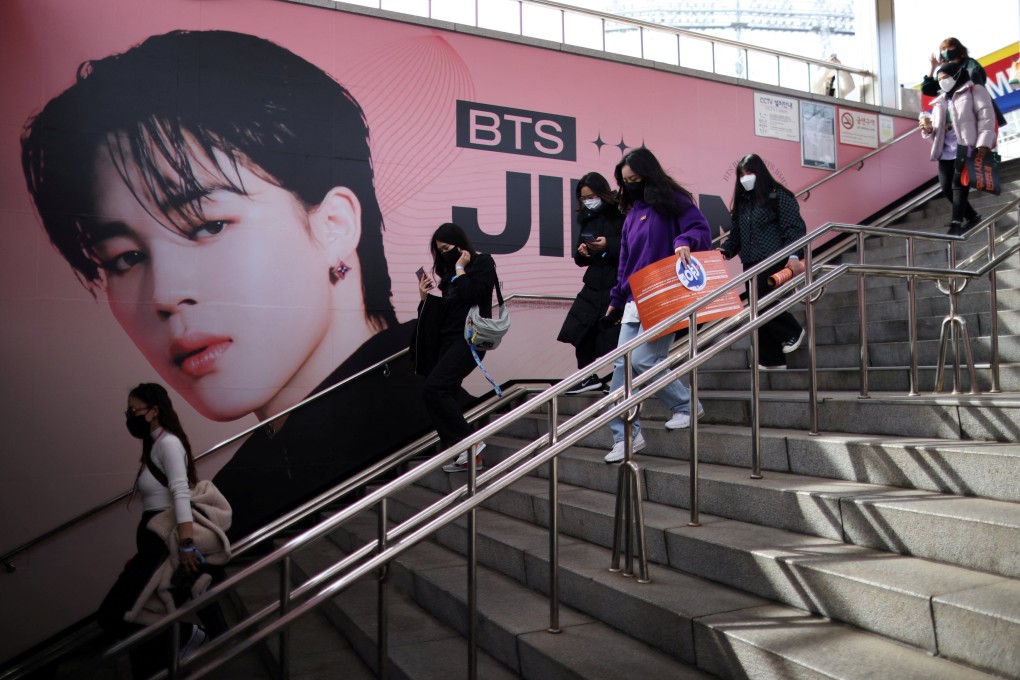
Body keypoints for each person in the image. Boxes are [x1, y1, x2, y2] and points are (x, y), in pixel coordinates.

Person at [20, 30, 432, 540]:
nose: (164, 294)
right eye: (124, 257)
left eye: (208, 226)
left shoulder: (419, 417)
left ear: (334, 225)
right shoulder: (256, 478)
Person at [97, 383, 231, 678]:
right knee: (128, 614)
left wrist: (185, 544)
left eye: (134, 411)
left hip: (160, 542)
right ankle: (162, 658)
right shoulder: (155, 444)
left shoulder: (168, 444)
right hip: (150, 543)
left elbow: (180, 493)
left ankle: (187, 635)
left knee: (113, 613)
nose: (129, 417)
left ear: (154, 411)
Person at [602, 148, 712, 464]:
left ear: (648, 175)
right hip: (635, 300)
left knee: (644, 361)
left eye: (635, 179)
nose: (630, 184)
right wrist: (615, 299)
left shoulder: (673, 201)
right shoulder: (632, 215)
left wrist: (683, 241)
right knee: (622, 370)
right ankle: (626, 436)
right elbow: (625, 262)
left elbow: (699, 230)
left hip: (665, 293)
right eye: (626, 181)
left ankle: (685, 406)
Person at [412, 223, 498, 473]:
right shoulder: (448, 275)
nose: (443, 255)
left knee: (435, 388)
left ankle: (470, 443)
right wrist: (425, 298)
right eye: (439, 251)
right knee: (438, 392)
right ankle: (466, 452)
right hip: (448, 341)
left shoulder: (482, 263)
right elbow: (447, 313)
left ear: (460, 245)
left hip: (469, 341)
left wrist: (461, 268)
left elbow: (475, 295)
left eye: (447, 248)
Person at [719, 154, 808, 370]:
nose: (745, 178)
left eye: (749, 173)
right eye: (741, 174)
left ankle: (792, 331)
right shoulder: (743, 203)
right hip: (750, 262)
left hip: (773, 258)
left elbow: (794, 228)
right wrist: (725, 251)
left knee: (763, 301)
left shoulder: (779, 196)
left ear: (760, 172)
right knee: (755, 308)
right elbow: (737, 235)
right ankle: (771, 359)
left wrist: (794, 255)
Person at [557, 173, 624, 394]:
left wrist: (608, 245)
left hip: (617, 281)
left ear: (603, 193)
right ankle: (587, 375)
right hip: (594, 283)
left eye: (592, 196)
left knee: (614, 332)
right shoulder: (586, 218)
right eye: (584, 198)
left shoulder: (621, 212)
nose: (588, 201)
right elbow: (579, 259)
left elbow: (632, 246)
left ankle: (620, 378)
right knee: (581, 329)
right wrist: (583, 252)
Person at [919, 61, 997, 235]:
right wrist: (928, 130)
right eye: (939, 79)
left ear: (957, 75)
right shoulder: (940, 100)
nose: (943, 81)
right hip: (946, 150)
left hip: (967, 145)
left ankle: (956, 223)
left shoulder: (975, 91)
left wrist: (983, 144)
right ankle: (973, 216)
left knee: (958, 184)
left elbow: (986, 119)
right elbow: (938, 130)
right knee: (946, 187)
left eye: (946, 77)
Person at [921, 37, 1006, 127]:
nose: (946, 51)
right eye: (943, 49)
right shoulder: (944, 72)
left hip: (976, 106)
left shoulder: (969, 62)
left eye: (949, 47)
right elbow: (927, 89)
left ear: (958, 48)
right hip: (959, 113)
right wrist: (933, 68)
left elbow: (978, 78)